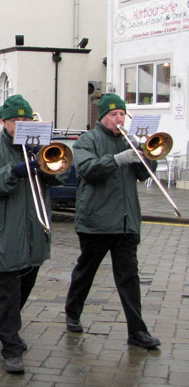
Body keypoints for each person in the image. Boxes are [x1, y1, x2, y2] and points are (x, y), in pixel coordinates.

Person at [0, 94, 65, 374]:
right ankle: (10, 346)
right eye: (16, 121)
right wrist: (15, 170)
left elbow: (57, 176)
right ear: (3, 122)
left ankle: (9, 328)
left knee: (24, 288)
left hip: (35, 230)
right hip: (4, 232)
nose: (22, 125)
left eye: (26, 119)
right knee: (8, 294)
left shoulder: (38, 146)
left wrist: (46, 167)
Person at [64, 93, 161, 349]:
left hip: (126, 221)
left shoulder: (130, 140)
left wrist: (145, 156)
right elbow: (87, 170)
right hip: (96, 220)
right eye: (113, 115)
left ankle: (137, 331)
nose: (119, 119)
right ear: (103, 117)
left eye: (122, 114)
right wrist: (119, 159)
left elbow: (143, 174)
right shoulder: (88, 140)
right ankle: (73, 312)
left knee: (129, 277)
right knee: (86, 271)